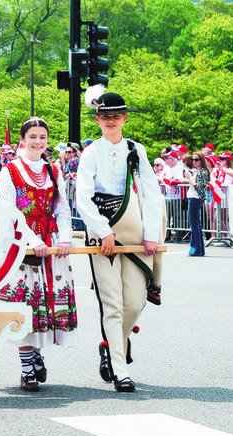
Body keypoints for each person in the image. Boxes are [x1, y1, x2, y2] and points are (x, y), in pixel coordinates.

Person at [76, 87, 163, 393]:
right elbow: (82, 197)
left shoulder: (136, 150)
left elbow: (152, 194)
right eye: (104, 117)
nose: (109, 121)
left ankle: (110, 345)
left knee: (135, 302)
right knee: (112, 302)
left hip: (134, 229)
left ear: (124, 118)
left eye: (115, 116)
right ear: (97, 120)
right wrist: (103, 230)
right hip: (103, 231)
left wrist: (152, 234)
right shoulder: (91, 153)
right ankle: (120, 368)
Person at [0, 116, 76, 392]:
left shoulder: (53, 170)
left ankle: (36, 353)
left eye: (43, 138)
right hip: (23, 243)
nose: (38, 142)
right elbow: (9, 211)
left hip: (50, 244)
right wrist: (32, 239)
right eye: (33, 137)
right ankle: (27, 367)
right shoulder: (10, 170)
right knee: (23, 305)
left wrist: (64, 238)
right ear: (22, 141)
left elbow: (61, 207)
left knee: (45, 305)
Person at [184, 152, 210, 256]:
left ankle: (195, 250)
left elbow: (197, 186)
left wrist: (189, 177)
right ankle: (198, 249)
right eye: (193, 160)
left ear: (201, 161)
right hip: (194, 198)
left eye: (196, 160)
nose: (194, 162)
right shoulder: (200, 171)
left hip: (195, 198)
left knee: (194, 225)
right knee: (196, 225)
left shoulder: (202, 172)